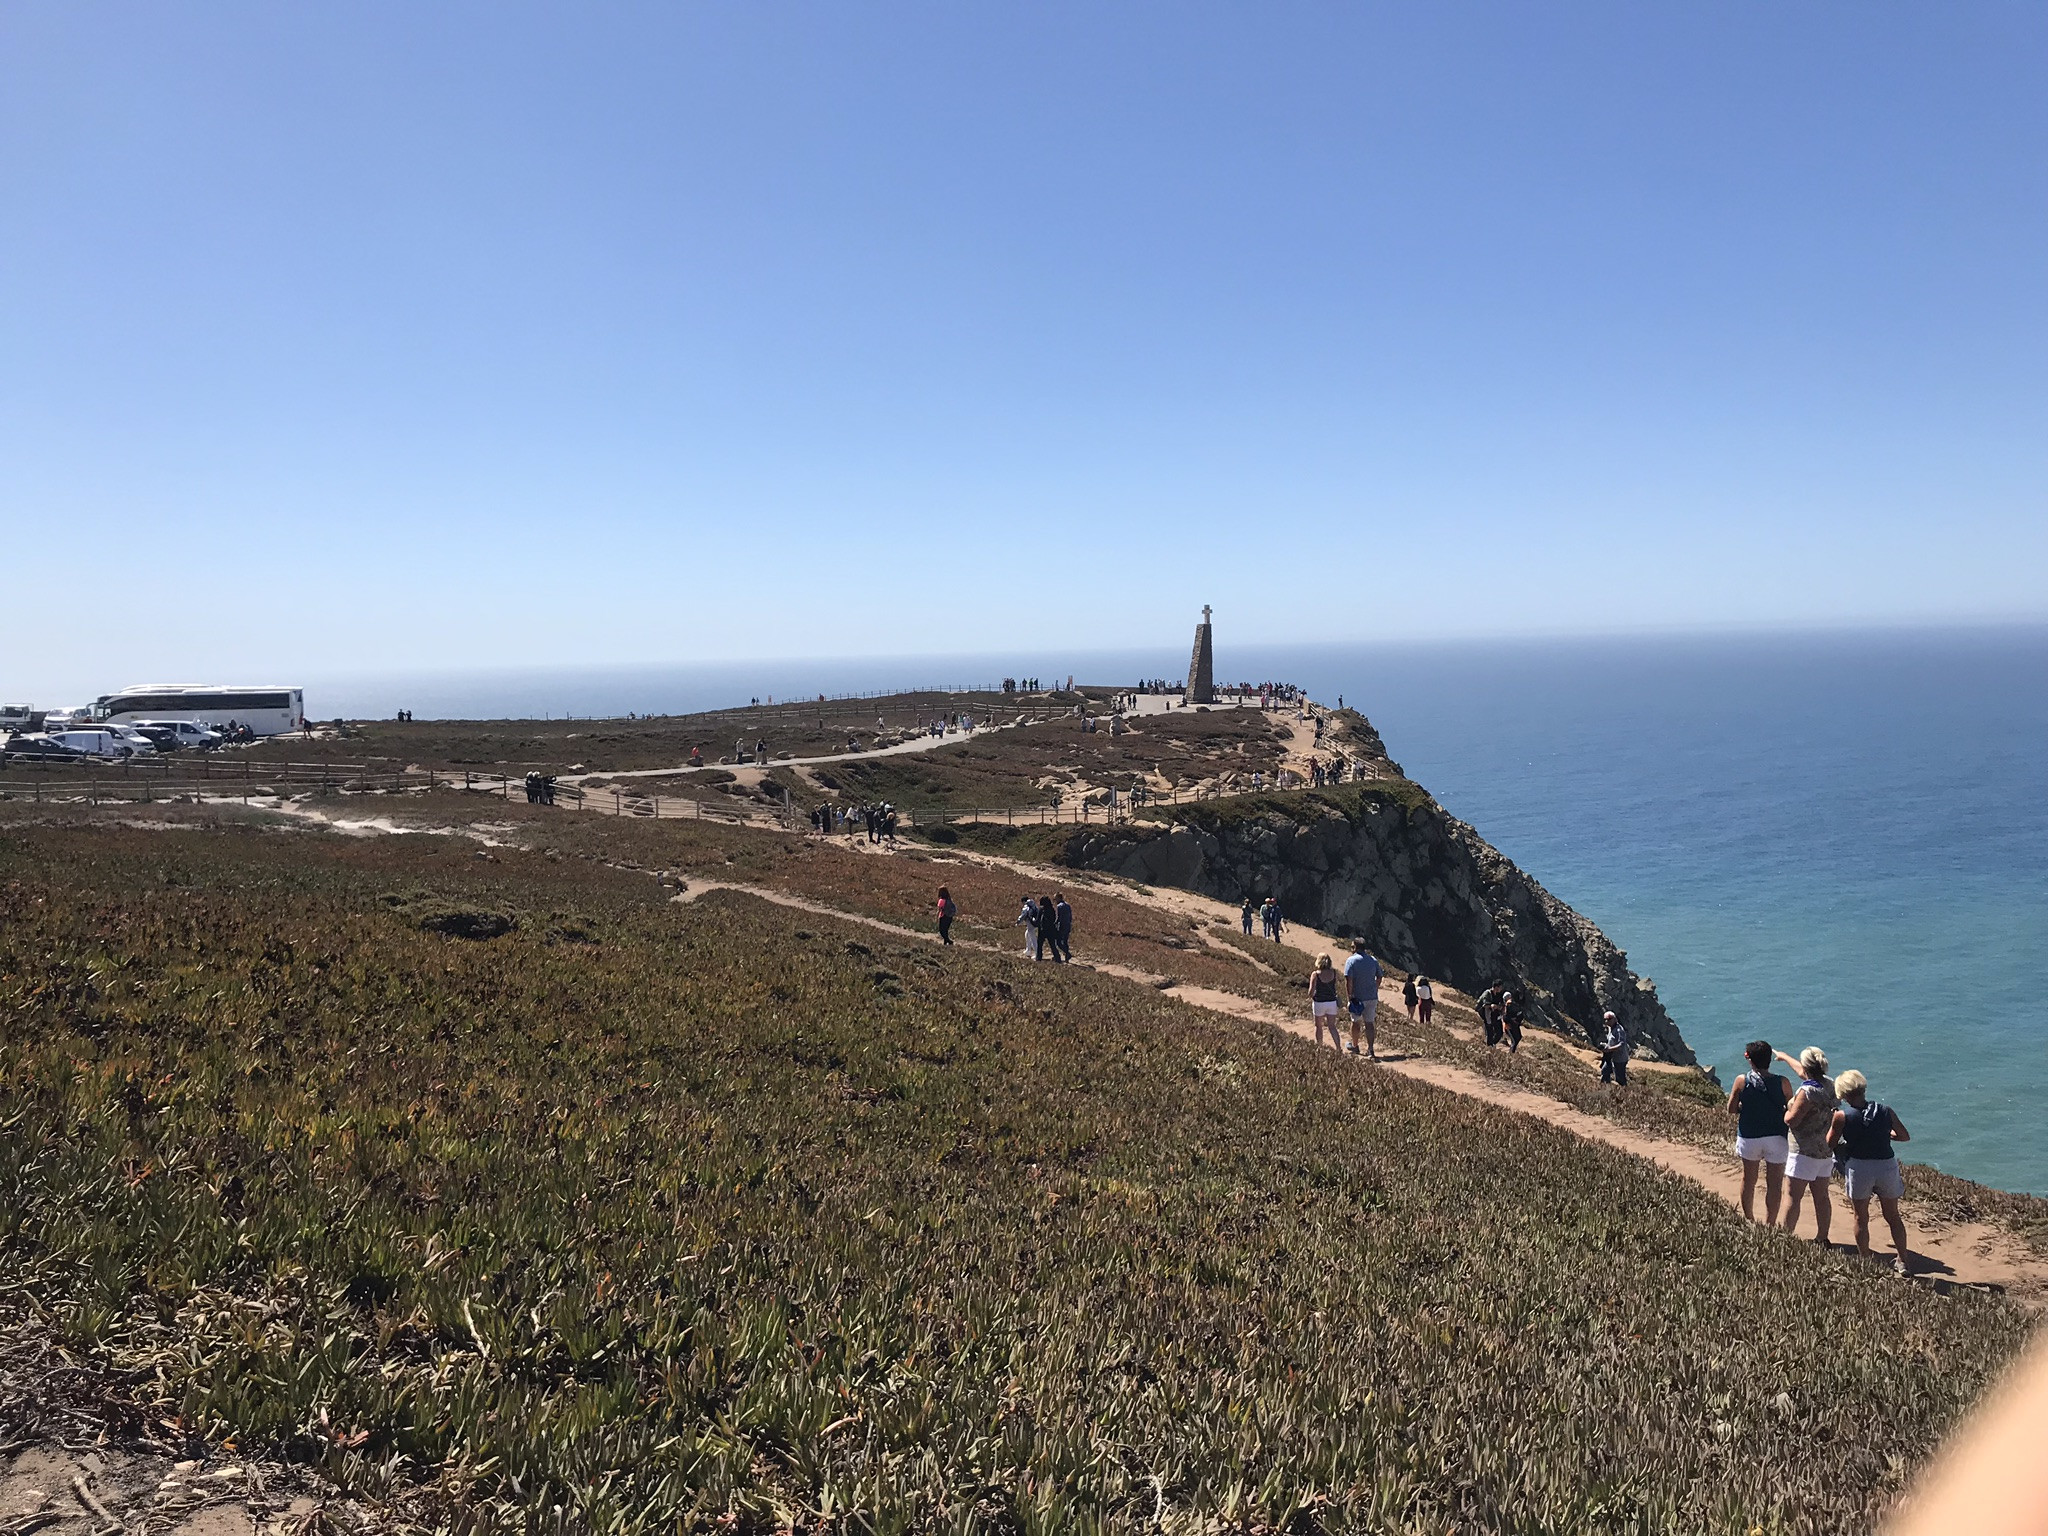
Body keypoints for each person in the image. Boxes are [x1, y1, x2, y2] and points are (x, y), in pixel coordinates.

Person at [1828, 1068, 1912, 1271]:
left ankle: (1865, 1260)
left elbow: (1829, 1143)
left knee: (1861, 1217)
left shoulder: (1841, 1116)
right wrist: (1886, 1135)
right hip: (1886, 1166)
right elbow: (1904, 1136)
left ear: (1844, 1094)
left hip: (1859, 1168)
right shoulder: (1885, 1110)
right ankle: (1902, 1261)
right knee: (1893, 1215)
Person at [1727, 1040, 1793, 1226]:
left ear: (1749, 1060)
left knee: (1749, 1179)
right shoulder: (1783, 1082)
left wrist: (1743, 1107)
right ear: (1770, 1059)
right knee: (1774, 1183)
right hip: (1777, 1137)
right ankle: (1770, 1223)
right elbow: (1791, 1108)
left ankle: (1749, 1219)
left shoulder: (1741, 1081)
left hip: (1749, 1136)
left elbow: (1731, 1108)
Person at [1779, 1046, 1837, 1245]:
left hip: (1803, 1152)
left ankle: (1785, 1238)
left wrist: (1786, 1107)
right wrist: (1785, 1056)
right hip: (1825, 1150)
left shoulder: (1806, 1091)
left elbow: (1792, 1120)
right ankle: (1823, 1237)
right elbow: (1803, 1072)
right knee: (1821, 1197)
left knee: (1792, 1196)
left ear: (1807, 1067)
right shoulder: (1831, 1086)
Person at [1344, 939, 1381, 1059]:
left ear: (1355, 947)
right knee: (1369, 1023)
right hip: (1371, 996)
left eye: (1352, 946)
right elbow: (1379, 976)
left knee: (1356, 1022)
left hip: (1357, 998)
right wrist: (1375, 987)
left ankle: (1355, 1045)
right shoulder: (1373, 960)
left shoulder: (1351, 961)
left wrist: (1349, 996)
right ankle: (1370, 1049)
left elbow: (1349, 980)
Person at [1308, 954, 1343, 1048]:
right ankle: (1338, 1047)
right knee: (1332, 1026)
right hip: (1331, 1002)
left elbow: (1311, 991)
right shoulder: (1334, 972)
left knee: (1318, 1026)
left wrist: (1313, 996)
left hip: (1319, 1002)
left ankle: (1320, 1046)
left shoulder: (1315, 974)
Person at [1598, 1011, 1629, 1085]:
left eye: (1609, 1019)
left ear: (1614, 1019)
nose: (1606, 1021)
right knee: (1605, 1071)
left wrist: (1609, 1049)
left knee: (1620, 1078)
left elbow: (1621, 1044)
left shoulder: (1619, 1030)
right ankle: (1605, 1087)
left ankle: (1625, 1093)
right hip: (1611, 1056)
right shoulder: (1610, 1028)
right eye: (1605, 1019)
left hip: (1620, 1059)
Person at [1036, 896, 1062, 962]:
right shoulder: (1052, 909)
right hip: (1051, 929)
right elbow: (1054, 918)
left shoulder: (1041, 909)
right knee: (1052, 945)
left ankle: (1039, 957)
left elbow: (1038, 920)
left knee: (1039, 944)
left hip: (1042, 930)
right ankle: (1057, 958)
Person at [1016, 895, 1040, 959]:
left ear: (1023, 901)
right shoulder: (1034, 905)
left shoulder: (1026, 906)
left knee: (1033, 939)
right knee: (1027, 934)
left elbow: (1023, 915)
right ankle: (1028, 950)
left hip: (1030, 924)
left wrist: (1018, 921)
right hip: (1035, 923)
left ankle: (1037, 953)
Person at [1053, 893, 1073, 961]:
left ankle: (1067, 953)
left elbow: (1058, 917)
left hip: (1062, 926)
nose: (1055, 900)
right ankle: (1067, 957)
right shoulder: (1068, 905)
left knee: (1058, 942)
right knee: (1065, 941)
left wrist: (1054, 923)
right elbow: (1070, 916)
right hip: (1068, 925)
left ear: (1059, 898)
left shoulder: (1059, 906)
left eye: (1055, 899)